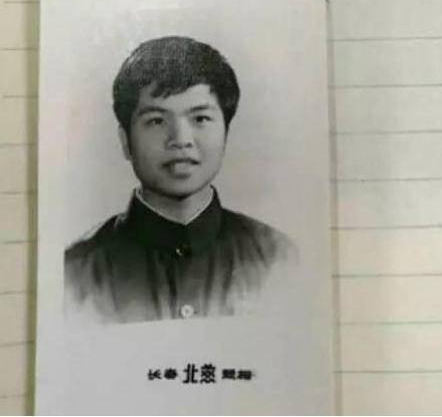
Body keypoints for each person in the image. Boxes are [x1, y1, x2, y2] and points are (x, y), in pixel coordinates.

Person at [65, 36, 296, 324]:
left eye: (200, 119)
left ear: (226, 132)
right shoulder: (74, 272)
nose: (181, 140)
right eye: (156, 121)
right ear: (125, 140)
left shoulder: (278, 258)